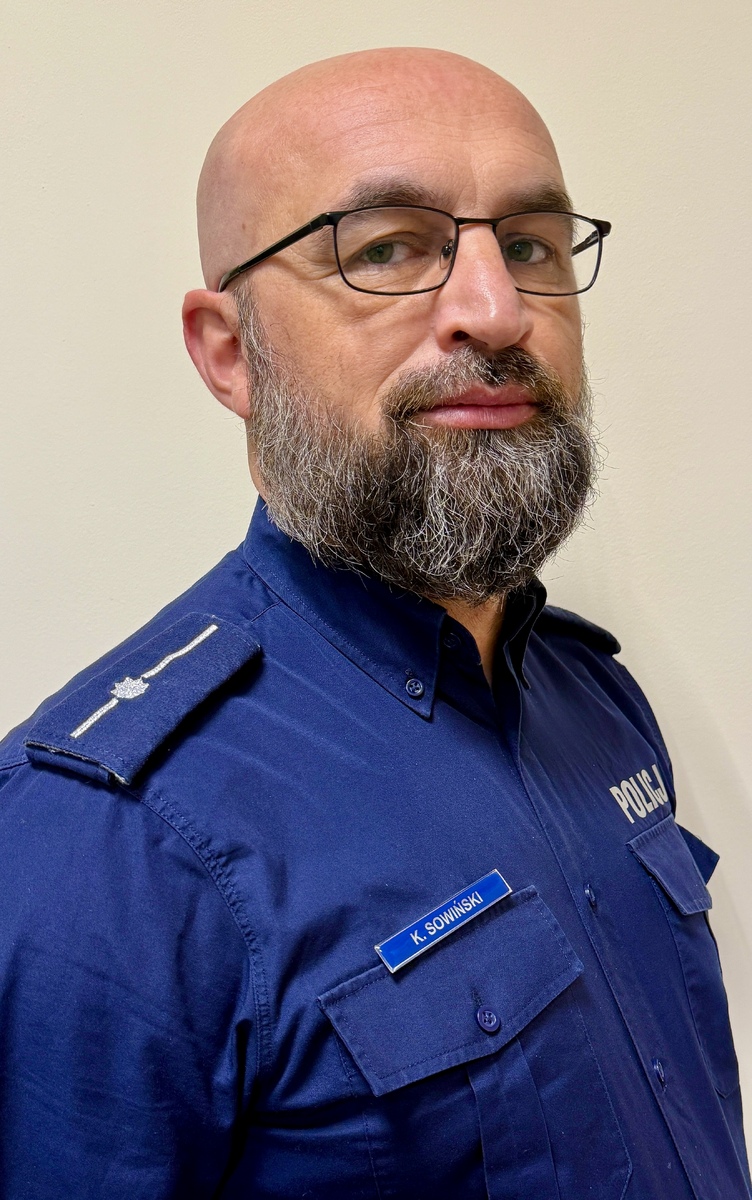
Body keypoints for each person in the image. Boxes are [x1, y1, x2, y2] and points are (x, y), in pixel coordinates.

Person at [0, 46, 747, 1200]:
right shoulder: (99, 846)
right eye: (388, 250)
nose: (496, 311)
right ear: (229, 352)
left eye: (530, 246)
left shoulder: (592, 699)